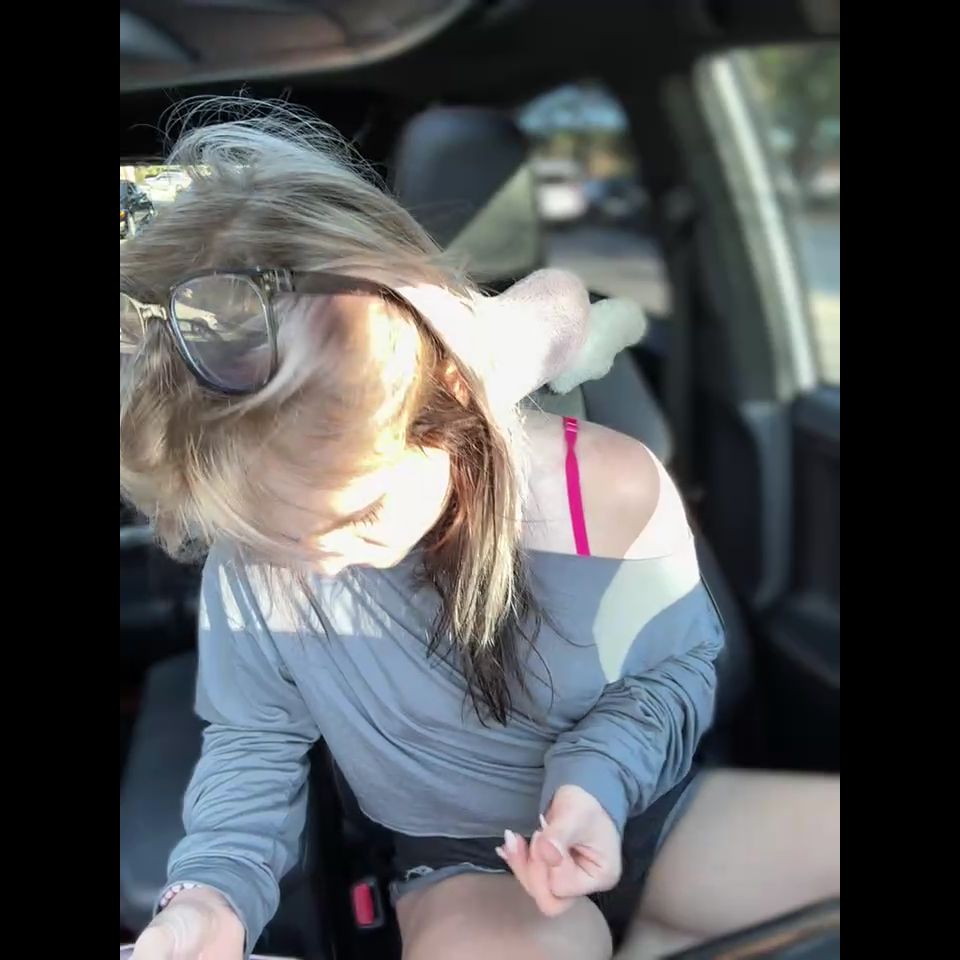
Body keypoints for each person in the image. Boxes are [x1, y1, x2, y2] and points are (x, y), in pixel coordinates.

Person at [123, 106, 839, 960]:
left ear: (455, 403)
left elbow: (675, 670)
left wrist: (595, 786)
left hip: (655, 811)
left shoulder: (607, 487)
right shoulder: (259, 554)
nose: (315, 558)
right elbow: (255, 740)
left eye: (357, 513)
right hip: (463, 863)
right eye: (273, 533)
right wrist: (211, 896)